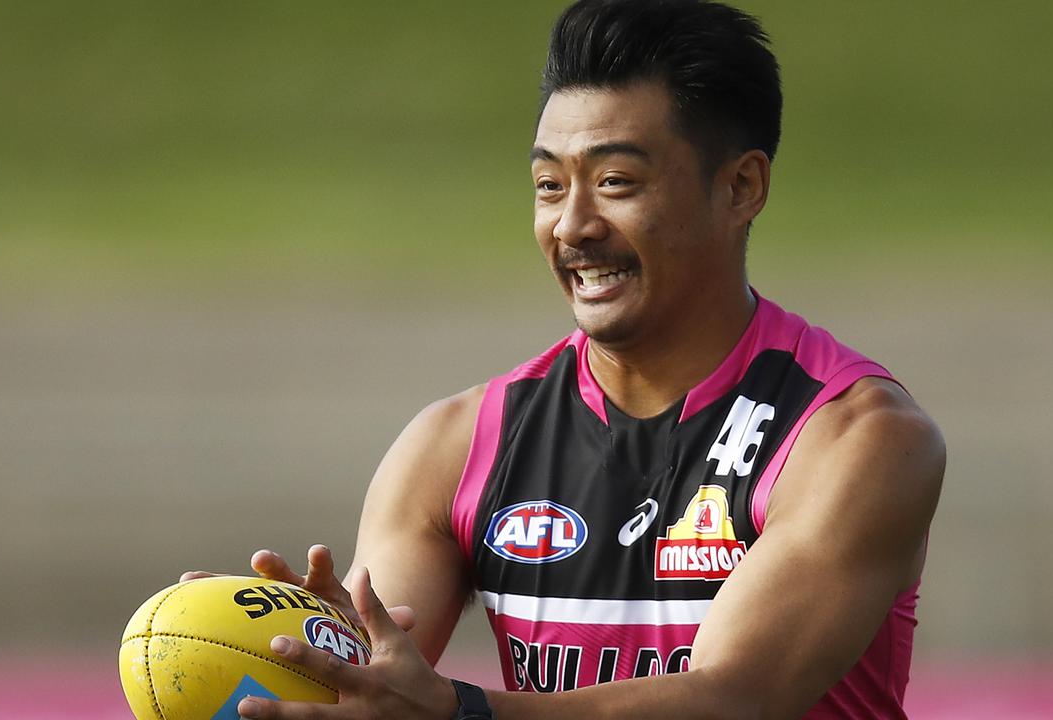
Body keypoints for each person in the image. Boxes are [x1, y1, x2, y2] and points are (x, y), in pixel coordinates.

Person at [183, 1, 945, 717]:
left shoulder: (858, 438)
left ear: (741, 186)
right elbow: (378, 682)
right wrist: (285, 656)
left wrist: (463, 710)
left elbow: (731, 699)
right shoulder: (455, 444)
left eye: (616, 182)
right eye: (550, 185)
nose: (573, 226)